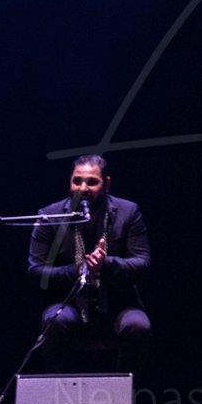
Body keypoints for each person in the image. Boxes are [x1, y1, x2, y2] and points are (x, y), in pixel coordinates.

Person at [27, 155, 151, 374]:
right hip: (70, 303)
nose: (83, 188)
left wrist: (106, 264)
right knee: (55, 320)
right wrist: (79, 269)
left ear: (107, 184)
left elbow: (142, 262)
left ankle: (125, 392)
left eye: (92, 182)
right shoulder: (49, 215)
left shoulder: (129, 211)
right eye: (77, 181)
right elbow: (36, 270)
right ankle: (58, 392)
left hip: (118, 303)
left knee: (138, 324)